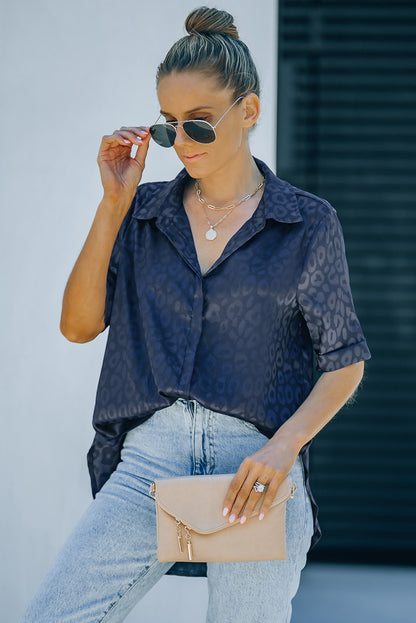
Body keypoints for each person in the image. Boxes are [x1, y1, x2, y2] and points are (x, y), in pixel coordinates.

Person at [21, 6, 371, 623]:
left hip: (255, 471)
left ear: (250, 111)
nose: (182, 143)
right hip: (147, 465)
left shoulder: (308, 223)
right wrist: (114, 202)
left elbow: (345, 364)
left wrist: (283, 447)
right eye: (167, 127)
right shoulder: (144, 213)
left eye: (200, 126)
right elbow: (77, 327)